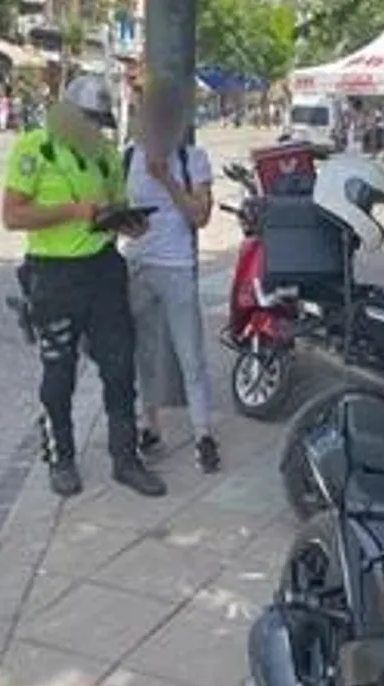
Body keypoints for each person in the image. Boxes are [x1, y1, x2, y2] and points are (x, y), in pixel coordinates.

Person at [0, 74, 164, 498]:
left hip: (103, 270)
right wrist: (72, 211)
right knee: (59, 373)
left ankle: (125, 459)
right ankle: (62, 457)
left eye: (99, 122)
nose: (93, 130)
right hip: (53, 274)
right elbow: (12, 216)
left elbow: (114, 208)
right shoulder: (35, 148)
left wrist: (129, 223)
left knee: (120, 368)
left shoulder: (107, 154)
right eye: (87, 120)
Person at [122, 87, 221, 472]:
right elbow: (117, 211)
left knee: (189, 353)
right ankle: (149, 426)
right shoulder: (127, 157)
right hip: (137, 265)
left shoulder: (192, 159)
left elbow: (200, 216)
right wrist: (124, 225)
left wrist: (166, 179)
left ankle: (203, 434)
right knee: (142, 352)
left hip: (177, 267)